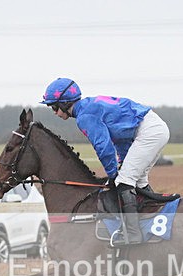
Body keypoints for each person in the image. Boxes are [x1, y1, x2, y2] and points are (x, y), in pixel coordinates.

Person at [41, 77, 170, 245]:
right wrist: (121, 163)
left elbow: (104, 147)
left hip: (149, 132)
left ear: (65, 103)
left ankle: (133, 235)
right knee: (137, 180)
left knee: (124, 181)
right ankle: (150, 221)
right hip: (150, 129)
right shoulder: (88, 107)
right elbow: (120, 138)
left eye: (54, 106)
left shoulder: (85, 116)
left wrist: (113, 173)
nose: (54, 112)